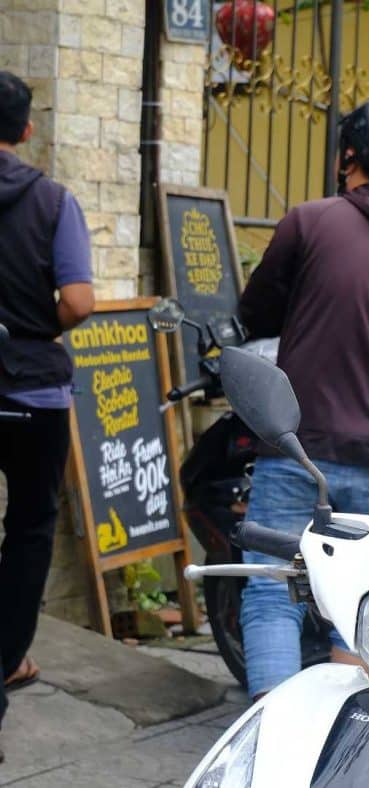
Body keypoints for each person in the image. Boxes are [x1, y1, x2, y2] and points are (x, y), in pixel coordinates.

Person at [237, 97, 369, 698]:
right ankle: (333, 753)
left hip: (296, 446)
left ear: (350, 156)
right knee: (358, 611)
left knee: (271, 591)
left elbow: (254, 315)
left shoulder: (311, 223)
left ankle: (276, 744)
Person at [0, 71, 95, 762]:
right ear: (27, 129)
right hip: (32, 392)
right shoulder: (53, 201)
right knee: (30, 525)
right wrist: (39, 324)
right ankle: (7, 656)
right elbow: (81, 301)